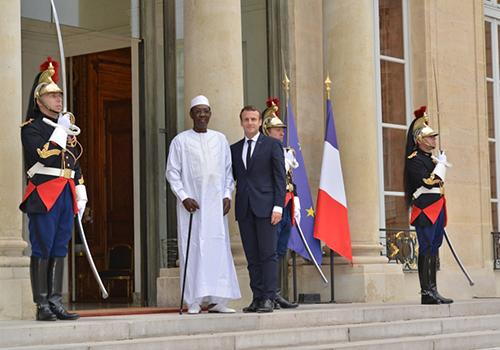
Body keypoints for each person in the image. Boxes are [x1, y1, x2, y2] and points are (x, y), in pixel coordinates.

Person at [20, 57, 86, 321]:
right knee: (42, 247)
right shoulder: (32, 129)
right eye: (52, 96)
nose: (58, 100)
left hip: (65, 192)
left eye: (59, 95)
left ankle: (56, 302)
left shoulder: (65, 129)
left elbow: (74, 162)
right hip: (44, 192)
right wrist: (60, 132)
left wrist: (81, 190)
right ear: (39, 101)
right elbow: (44, 156)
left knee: (60, 247)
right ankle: (42, 305)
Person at [166, 95, 241, 314]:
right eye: (198, 111)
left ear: (210, 114)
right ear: (191, 115)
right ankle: (194, 300)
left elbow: (228, 172)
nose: (202, 115)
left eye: (206, 111)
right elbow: (172, 173)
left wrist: (227, 195)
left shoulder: (220, 139)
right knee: (194, 250)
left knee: (217, 250)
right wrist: (183, 196)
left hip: (216, 207)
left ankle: (218, 300)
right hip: (192, 207)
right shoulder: (180, 141)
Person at [231, 105, 286, 313]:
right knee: (252, 257)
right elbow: (232, 178)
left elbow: (279, 179)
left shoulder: (272, 145)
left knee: (268, 254)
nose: (250, 123)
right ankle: (257, 297)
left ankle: (269, 298)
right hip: (245, 209)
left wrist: (278, 207)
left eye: (254, 119)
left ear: (260, 122)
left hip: (267, 208)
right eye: (246, 119)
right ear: (242, 122)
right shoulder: (234, 149)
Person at [404, 106, 453, 305]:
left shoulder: (430, 159)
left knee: (434, 248)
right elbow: (427, 181)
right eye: (430, 137)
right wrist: (441, 166)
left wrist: (439, 162)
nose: (434, 140)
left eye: (434, 137)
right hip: (425, 210)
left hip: (437, 208)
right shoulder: (415, 160)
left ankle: (433, 289)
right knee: (425, 248)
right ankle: (426, 292)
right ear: (420, 140)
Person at [261, 99, 299, 309]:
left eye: (282, 129)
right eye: (277, 129)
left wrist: (297, 200)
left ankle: (277, 292)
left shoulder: (286, 152)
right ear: (267, 130)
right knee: (272, 250)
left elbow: (289, 179)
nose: (282, 132)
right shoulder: (264, 150)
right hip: (273, 205)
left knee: (281, 249)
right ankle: (270, 293)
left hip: (286, 204)